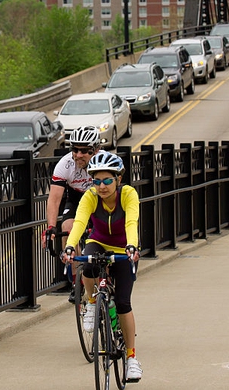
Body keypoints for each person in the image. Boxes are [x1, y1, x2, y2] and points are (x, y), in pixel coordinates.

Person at [60, 151, 143, 383]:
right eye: (96, 181)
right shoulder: (90, 197)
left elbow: (131, 222)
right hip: (98, 243)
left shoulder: (128, 194)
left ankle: (131, 358)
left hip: (123, 249)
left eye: (107, 180)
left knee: (124, 303)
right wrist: (70, 247)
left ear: (118, 179)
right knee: (86, 265)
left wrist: (132, 247)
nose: (102, 186)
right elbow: (79, 222)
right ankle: (93, 304)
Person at [44, 126, 103, 301]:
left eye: (84, 151)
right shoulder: (65, 164)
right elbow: (54, 199)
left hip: (99, 199)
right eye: (75, 149)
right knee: (68, 228)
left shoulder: (104, 161)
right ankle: (78, 282)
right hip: (76, 198)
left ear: (96, 150)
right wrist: (51, 227)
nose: (78, 155)